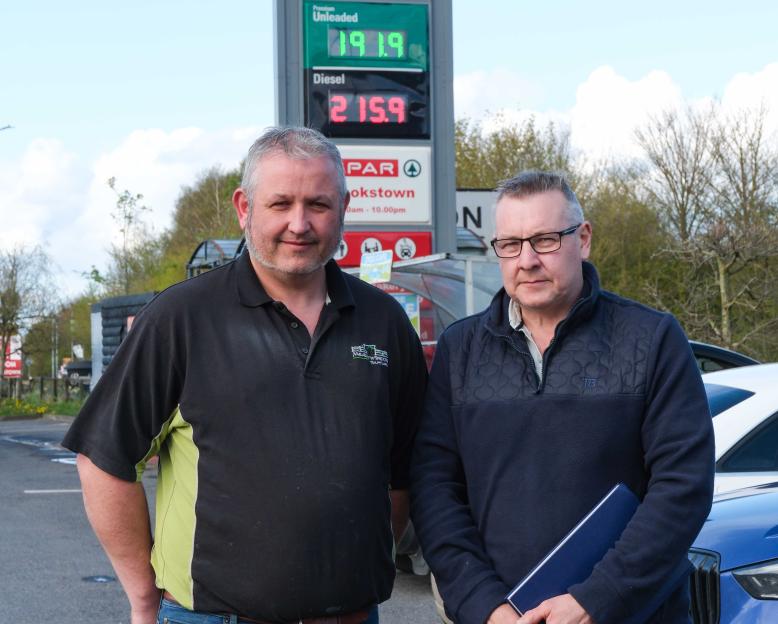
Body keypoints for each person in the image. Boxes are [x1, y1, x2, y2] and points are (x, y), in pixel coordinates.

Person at [63, 126, 427, 624]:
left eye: (317, 205)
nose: (299, 224)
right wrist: (144, 596)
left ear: (344, 207)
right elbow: (103, 460)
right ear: (244, 207)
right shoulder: (182, 320)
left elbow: (404, 469)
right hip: (212, 617)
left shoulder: (385, 322)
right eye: (280, 204)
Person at [410, 171, 714, 624]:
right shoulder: (460, 351)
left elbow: (682, 487)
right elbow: (435, 490)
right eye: (509, 244)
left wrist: (598, 601)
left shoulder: (650, 339)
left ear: (584, 238)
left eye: (545, 240)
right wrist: (485, 607)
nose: (526, 260)